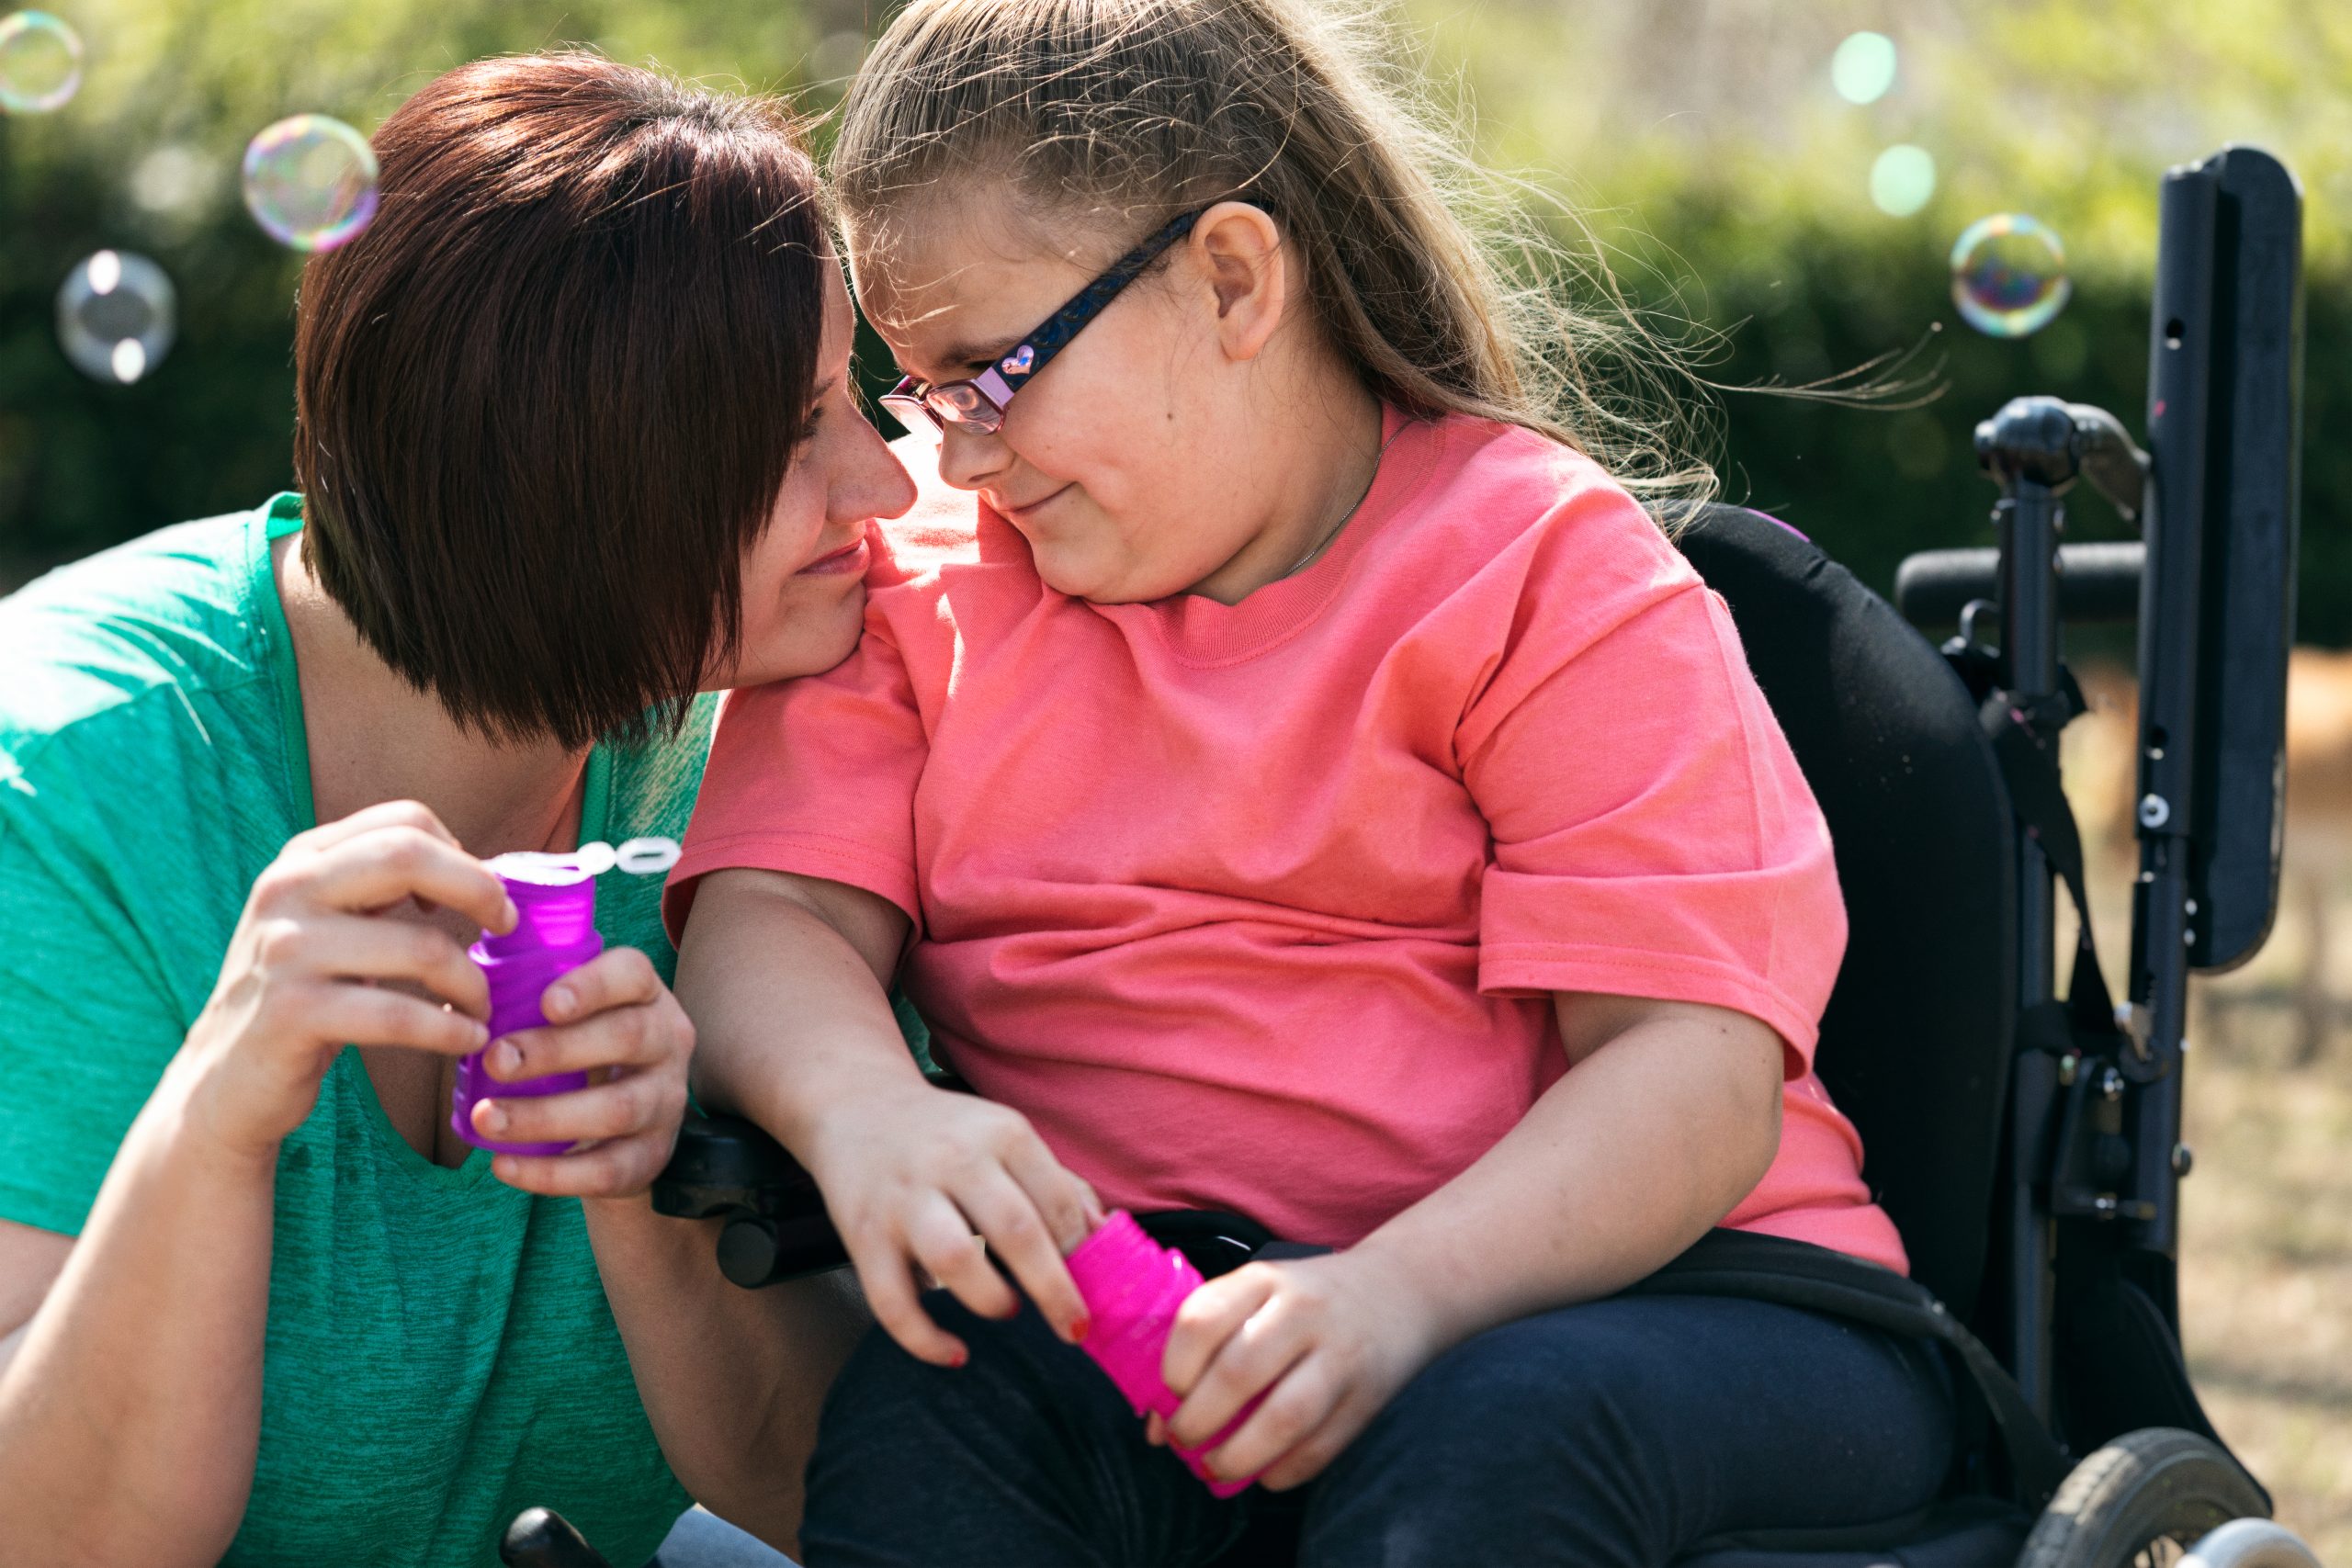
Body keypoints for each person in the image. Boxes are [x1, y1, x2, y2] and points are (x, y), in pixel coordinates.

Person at [665, 2, 1957, 1564]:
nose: (965, 457)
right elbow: (772, 918)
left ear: (1232, 279)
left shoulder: (1542, 573)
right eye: (926, 389)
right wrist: (868, 1114)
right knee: (932, 1413)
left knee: (1485, 1436)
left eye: (992, 375)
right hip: (1171, 1328)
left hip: (1669, 1304)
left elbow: (1694, 1079)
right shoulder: (922, 583)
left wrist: (1394, 1298)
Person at [0, 53, 918, 1568]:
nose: (883, 491)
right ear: (573, 475)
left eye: (855, 403)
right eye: (792, 434)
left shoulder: (796, 744)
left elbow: (841, 1491)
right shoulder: (69, 778)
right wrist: (217, 1122)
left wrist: (649, 1190)